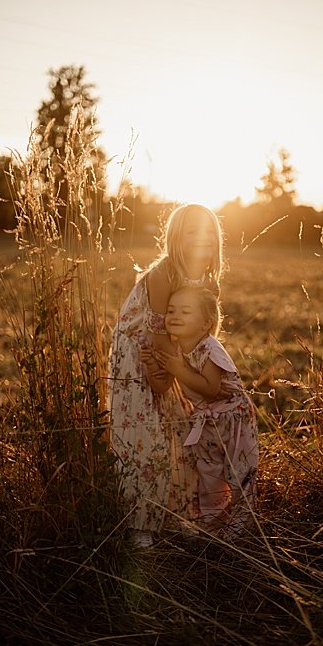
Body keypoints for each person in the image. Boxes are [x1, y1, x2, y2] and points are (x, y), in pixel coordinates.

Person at [108, 203, 223, 547]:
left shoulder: (208, 278)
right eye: (191, 232)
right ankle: (139, 521)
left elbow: (206, 328)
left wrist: (193, 370)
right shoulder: (164, 274)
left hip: (176, 354)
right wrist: (163, 377)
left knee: (182, 433)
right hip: (139, 355)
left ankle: (174, 514)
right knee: (145, 437)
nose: (201, 239)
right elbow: (156, 334)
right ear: (176, 237)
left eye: (207, 233)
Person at [153, 285, 259, 536]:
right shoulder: (178, 348)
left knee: (240, 470)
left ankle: (242, 524)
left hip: (233, 421)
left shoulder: (210, 347)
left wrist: (178, 370)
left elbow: (211, 388)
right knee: (208, 470)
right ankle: (213, 520)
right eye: (171, 310)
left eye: (185, 312)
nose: (175, 316)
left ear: (205, 324)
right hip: (207, 423)